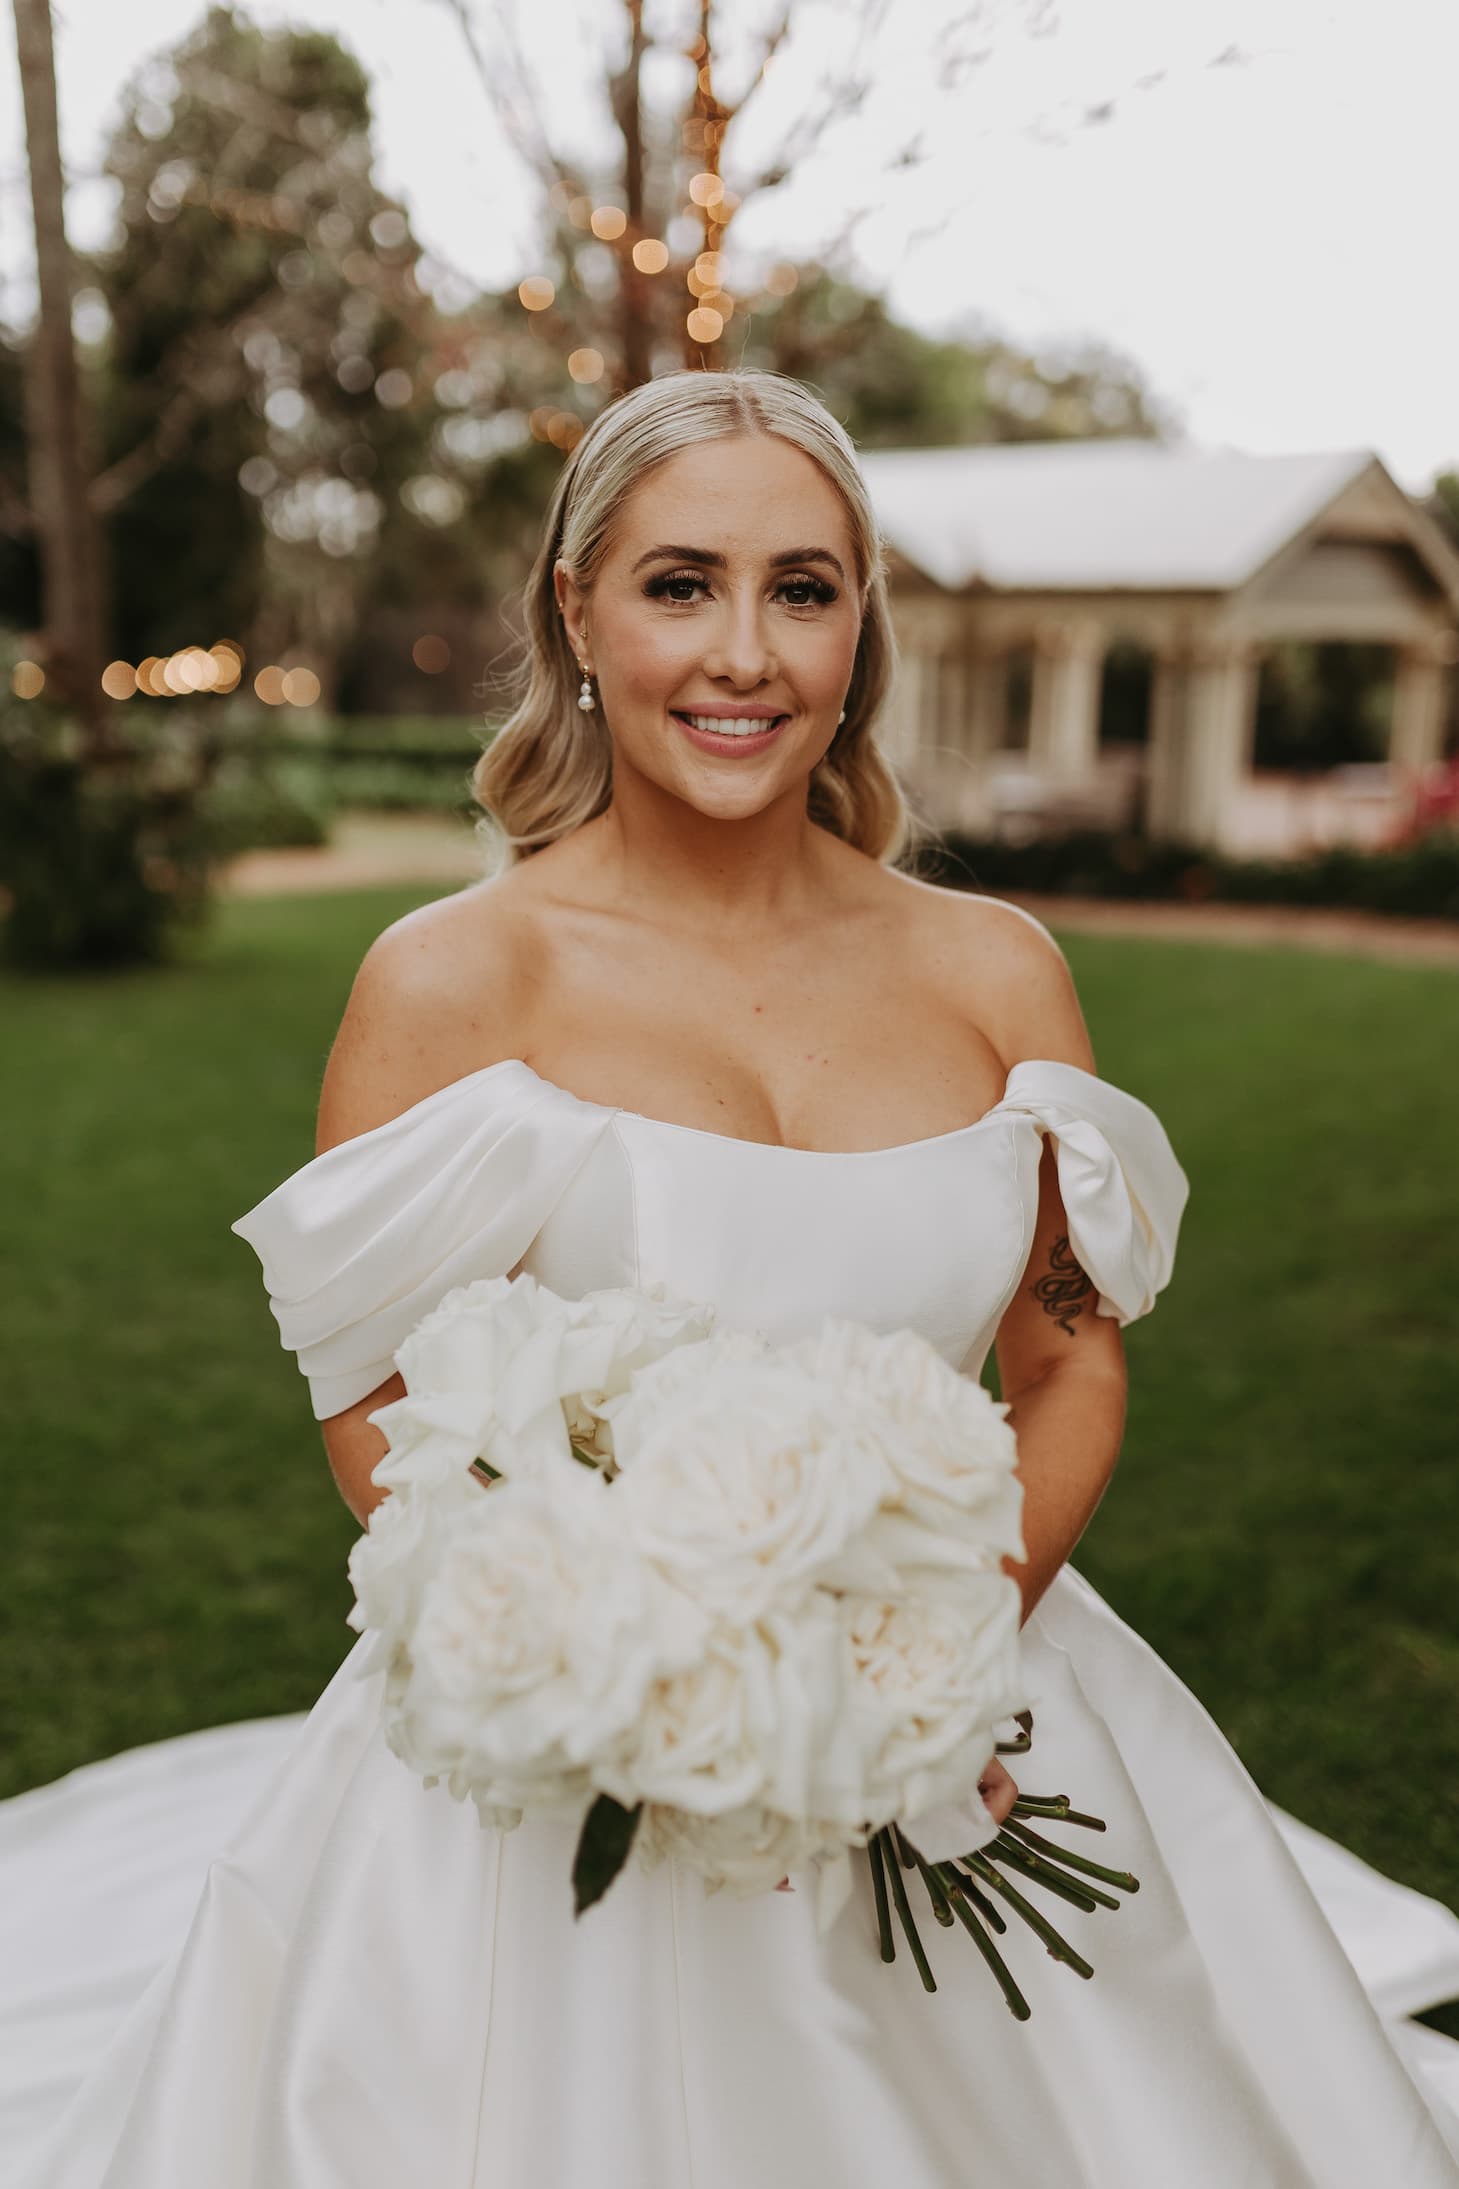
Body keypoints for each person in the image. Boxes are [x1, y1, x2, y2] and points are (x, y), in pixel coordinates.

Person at [8, 367, 1459, 2186]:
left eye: (805, 588)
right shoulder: (453, 984)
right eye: (682, 582)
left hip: (971, 1693)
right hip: (573, 1761)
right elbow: (374, 1404)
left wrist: (912, 1664)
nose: (745, 654)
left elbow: (1067, 1361)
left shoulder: (996, 975)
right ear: (579, 609)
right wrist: (638, 1678)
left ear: (862, 626)